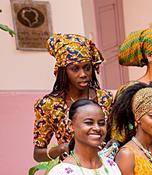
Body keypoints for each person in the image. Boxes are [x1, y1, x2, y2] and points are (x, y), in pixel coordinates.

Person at [33, 33, 112, 162]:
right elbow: (38, 153)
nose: (83, 74)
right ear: (63, 71)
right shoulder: (49, 105)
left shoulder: (105, 98)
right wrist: (62, 148)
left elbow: (115, 136)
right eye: (75, 69)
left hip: (103, 169)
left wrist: (112, 144)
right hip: (71, 173)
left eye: (87, 68)